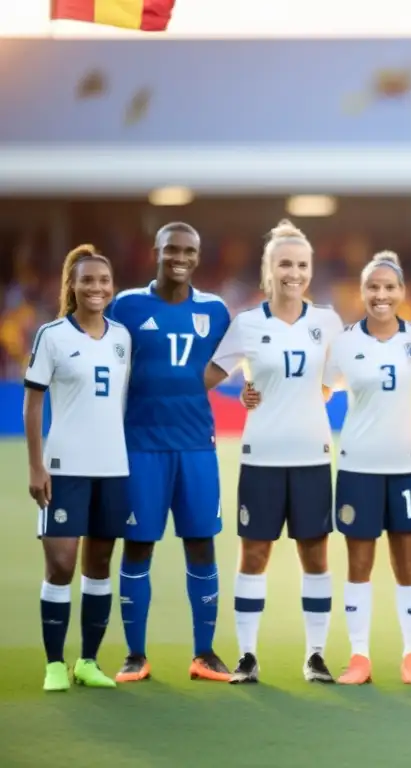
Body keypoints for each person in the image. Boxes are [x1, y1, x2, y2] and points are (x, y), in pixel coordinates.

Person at [204, 220, 343, 684]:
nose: (294, 272)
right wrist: (240, 391)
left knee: (316, 557)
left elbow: (335, 379)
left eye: (302, 264)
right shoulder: (246, 323)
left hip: (312, 458)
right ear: (270, 269)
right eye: (285, 263)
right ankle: (247, 655)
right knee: (254, 555)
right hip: (260, 458)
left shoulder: (327, 321)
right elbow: (210, 376)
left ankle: (316, 654)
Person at [107, 222, 232, 683]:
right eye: (172, 249)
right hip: (141, 447)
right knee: (138, 547)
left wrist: (190, 389)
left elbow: (234, 356)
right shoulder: (127, 306)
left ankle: (204, 653)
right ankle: (136, 655)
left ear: (198, 256)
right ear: (155, 252)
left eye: (189, 251)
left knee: (202, 543)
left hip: (197, 447)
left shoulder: (215, 311)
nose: (180, 257)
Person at [25, 245, 132, 691]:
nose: (97, 288)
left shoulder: (122, 337)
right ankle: (54, 663)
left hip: (112, 467)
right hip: (65, 467)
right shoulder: (52, 335)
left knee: (99, 565)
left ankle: (88, 661)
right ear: (72, 285)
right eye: (87, 280)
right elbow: (32, 405)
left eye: (104, 280)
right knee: (62, 565)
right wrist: (36, 466)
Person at [322, 251, 411, 685]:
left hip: (405, 467)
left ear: (402, 292)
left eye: (389, 287)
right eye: (373, 287)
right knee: (359, 564)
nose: (381, 295)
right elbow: (319, 392)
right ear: (361, 291)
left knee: (407, 564)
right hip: (357, 467)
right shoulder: (345, 343)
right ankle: (360, 657)